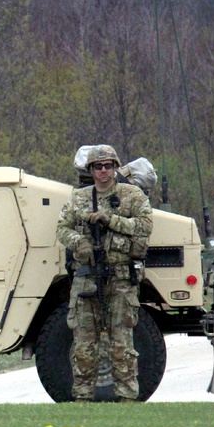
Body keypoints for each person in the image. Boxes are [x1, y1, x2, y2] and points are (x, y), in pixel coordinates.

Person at [56, 145, 153, 402]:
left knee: (122, 343)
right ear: (90, 170)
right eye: (98, 166)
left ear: (115, 167)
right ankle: (82, 398)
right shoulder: (79, 198)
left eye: (108, 166)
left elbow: (144, 225)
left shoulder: (131, 195)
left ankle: (127, 398)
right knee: (84, 344)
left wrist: (110, 221)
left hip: (121, 278)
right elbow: (62, 228)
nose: (103, 171)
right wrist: (79, 242)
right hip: (87, 277)